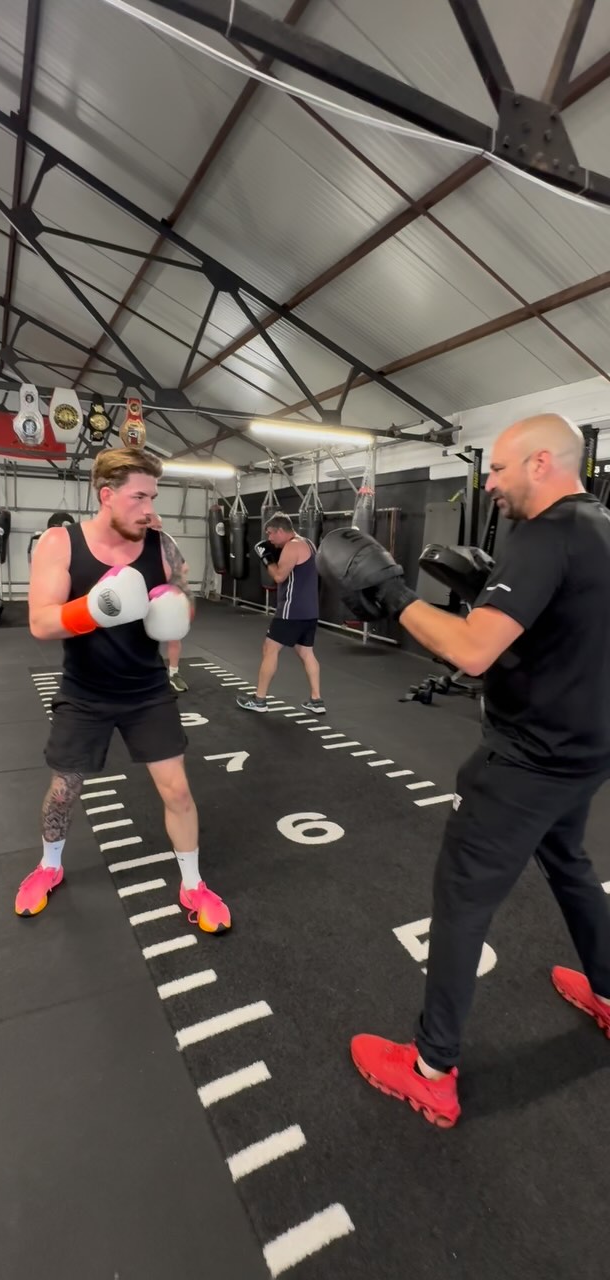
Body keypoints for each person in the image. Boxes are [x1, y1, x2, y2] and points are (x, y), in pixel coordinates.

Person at [318, 414, 610, 1127]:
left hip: (526, 762)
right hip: (587, 750)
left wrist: (395, 599)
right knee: (568, 862)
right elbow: (563, 632)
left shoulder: (546, 537)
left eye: (502, 469)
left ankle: (430, 1068)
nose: (492, 483)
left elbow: (473, 653)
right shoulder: (601, 524)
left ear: (542, 463)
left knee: (462, 900)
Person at [14, 446, 230, 934]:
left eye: (153, 495)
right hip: (84, 691)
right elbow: (41, 623)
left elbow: (186, 600)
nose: (150, 508)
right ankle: (49, 865)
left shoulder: (162, 545)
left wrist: (178, 611)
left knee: (177, 788)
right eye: (139, 496)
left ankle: (193, 883)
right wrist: (93, 608)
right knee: (64, 790)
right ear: (106, 495)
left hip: (146, 690)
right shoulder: (60, 543)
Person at [236, 514, 325, 715]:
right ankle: (316, 699)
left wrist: (267, 559)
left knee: (270, 648)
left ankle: (259, 700)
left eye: (270, 534)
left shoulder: (292, 546)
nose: (269, 539)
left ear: (280, 531)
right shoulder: (308, 543)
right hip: (310, 610)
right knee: (306, 652)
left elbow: (278, 577)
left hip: (291, 611)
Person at [147, 513, 188, 693]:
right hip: (142, 595)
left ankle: (174, 673)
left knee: (174, 635)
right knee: (139, 637)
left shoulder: (166, 541)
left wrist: (178, 587)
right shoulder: (133, 543)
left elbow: (183, 567)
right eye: (154, 527)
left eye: (160, 527)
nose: (158, 531)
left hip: (166, 593)